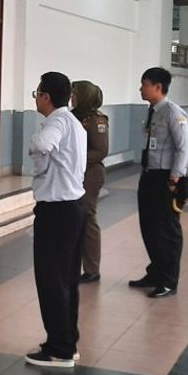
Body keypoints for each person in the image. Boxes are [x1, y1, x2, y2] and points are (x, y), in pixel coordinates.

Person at [24, 72, 87, 369]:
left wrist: (33, 142)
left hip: (57, 212)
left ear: (46, 97)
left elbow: (43, 145)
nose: (36, 98)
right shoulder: (74, 122)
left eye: (37, 93)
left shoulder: (57, 122)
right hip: (73, 208)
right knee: (67, 280)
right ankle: (67, 342)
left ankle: (59, 350)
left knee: (51, 280)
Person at [129, 67, 188, 298]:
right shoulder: (153, 111)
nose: (141, 89)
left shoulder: (173, 112)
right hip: (149, 175)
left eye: (144, 84)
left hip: (166, 178)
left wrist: (175, 177)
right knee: (149, 227)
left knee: (166, 230)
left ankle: (168, 280)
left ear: (158, 87)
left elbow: (184, 147)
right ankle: (155, 273)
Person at [71, 80, 109, 284]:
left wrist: (74, 157)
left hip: (90, 175)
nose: (72, 97)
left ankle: (92, 269)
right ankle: (73, 265)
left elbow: (101, 151)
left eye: (75, 94)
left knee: (87, 218)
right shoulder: (73, 116)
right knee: (75, 219)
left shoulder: (96, 120)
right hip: (74, 174)